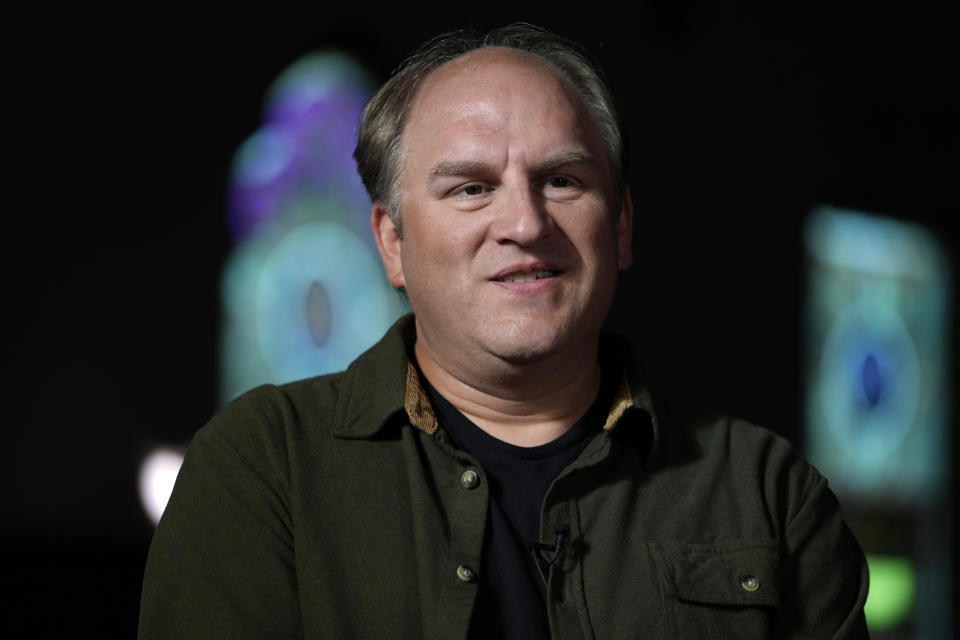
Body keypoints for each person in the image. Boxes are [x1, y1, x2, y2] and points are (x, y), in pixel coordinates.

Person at [138, 23, 870, 639]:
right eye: (471, 188)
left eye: (562, 180)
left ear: (620, 228)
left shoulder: (770, 494)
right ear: (391, 243)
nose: (524, 224)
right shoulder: (261, 470)